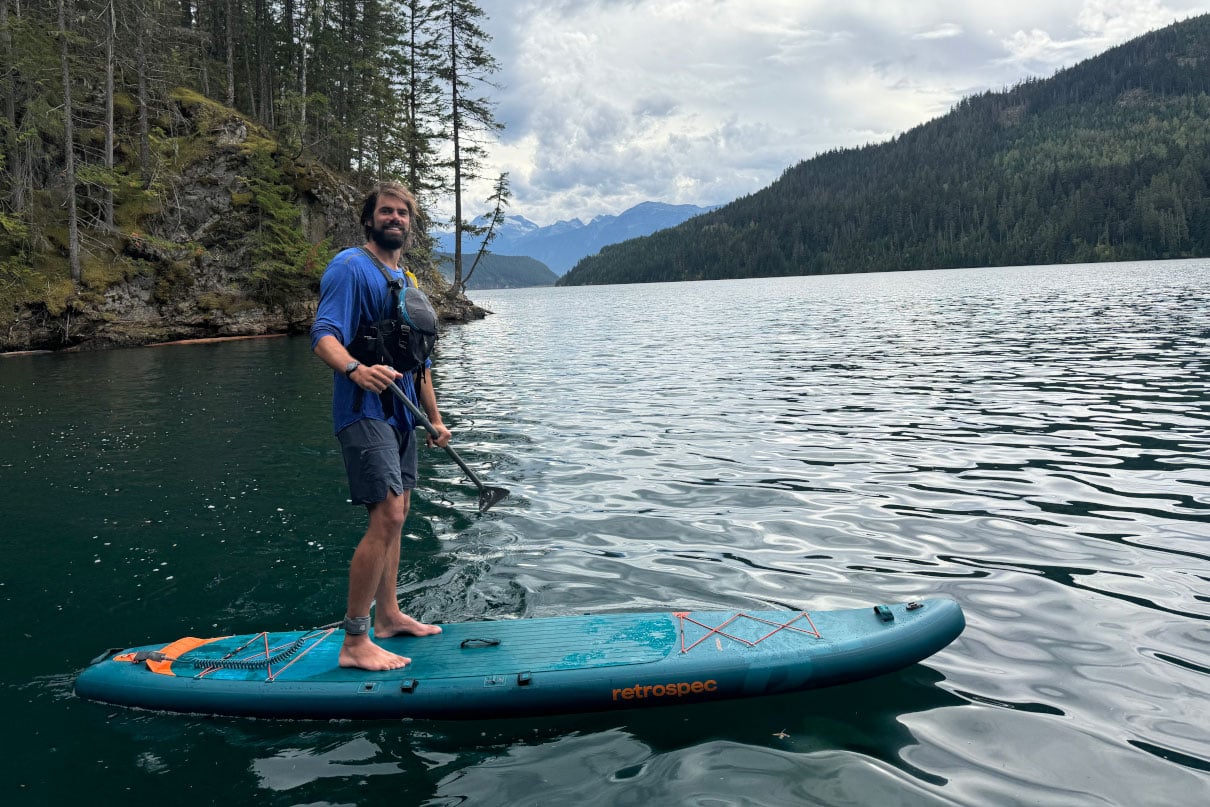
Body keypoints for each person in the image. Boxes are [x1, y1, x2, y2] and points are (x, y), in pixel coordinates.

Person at [310, 180, 452, 671]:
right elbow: (323, 334)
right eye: (386, 212)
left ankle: (388, 617)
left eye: (403, 213)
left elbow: (420, 365)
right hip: (363, 410)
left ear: (410, 223)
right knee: (387, 516)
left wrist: (434, 419)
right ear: (369, 220)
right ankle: (354, 641)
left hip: (403, 415)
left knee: (400, 513)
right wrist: (355, 369)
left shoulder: (409, 282)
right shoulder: (351, 267)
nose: (396, 219)